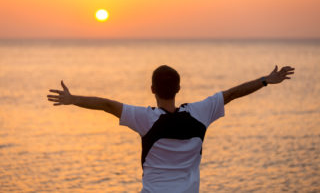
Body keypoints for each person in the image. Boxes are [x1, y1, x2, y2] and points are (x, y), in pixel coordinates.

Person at [47, 65, 294, 193]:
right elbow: (231, 94)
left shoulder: (145, 119)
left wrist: (72, 99)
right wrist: (265, 81)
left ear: (152, 89)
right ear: (179, 89)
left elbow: (107, 105)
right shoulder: (201, 112)